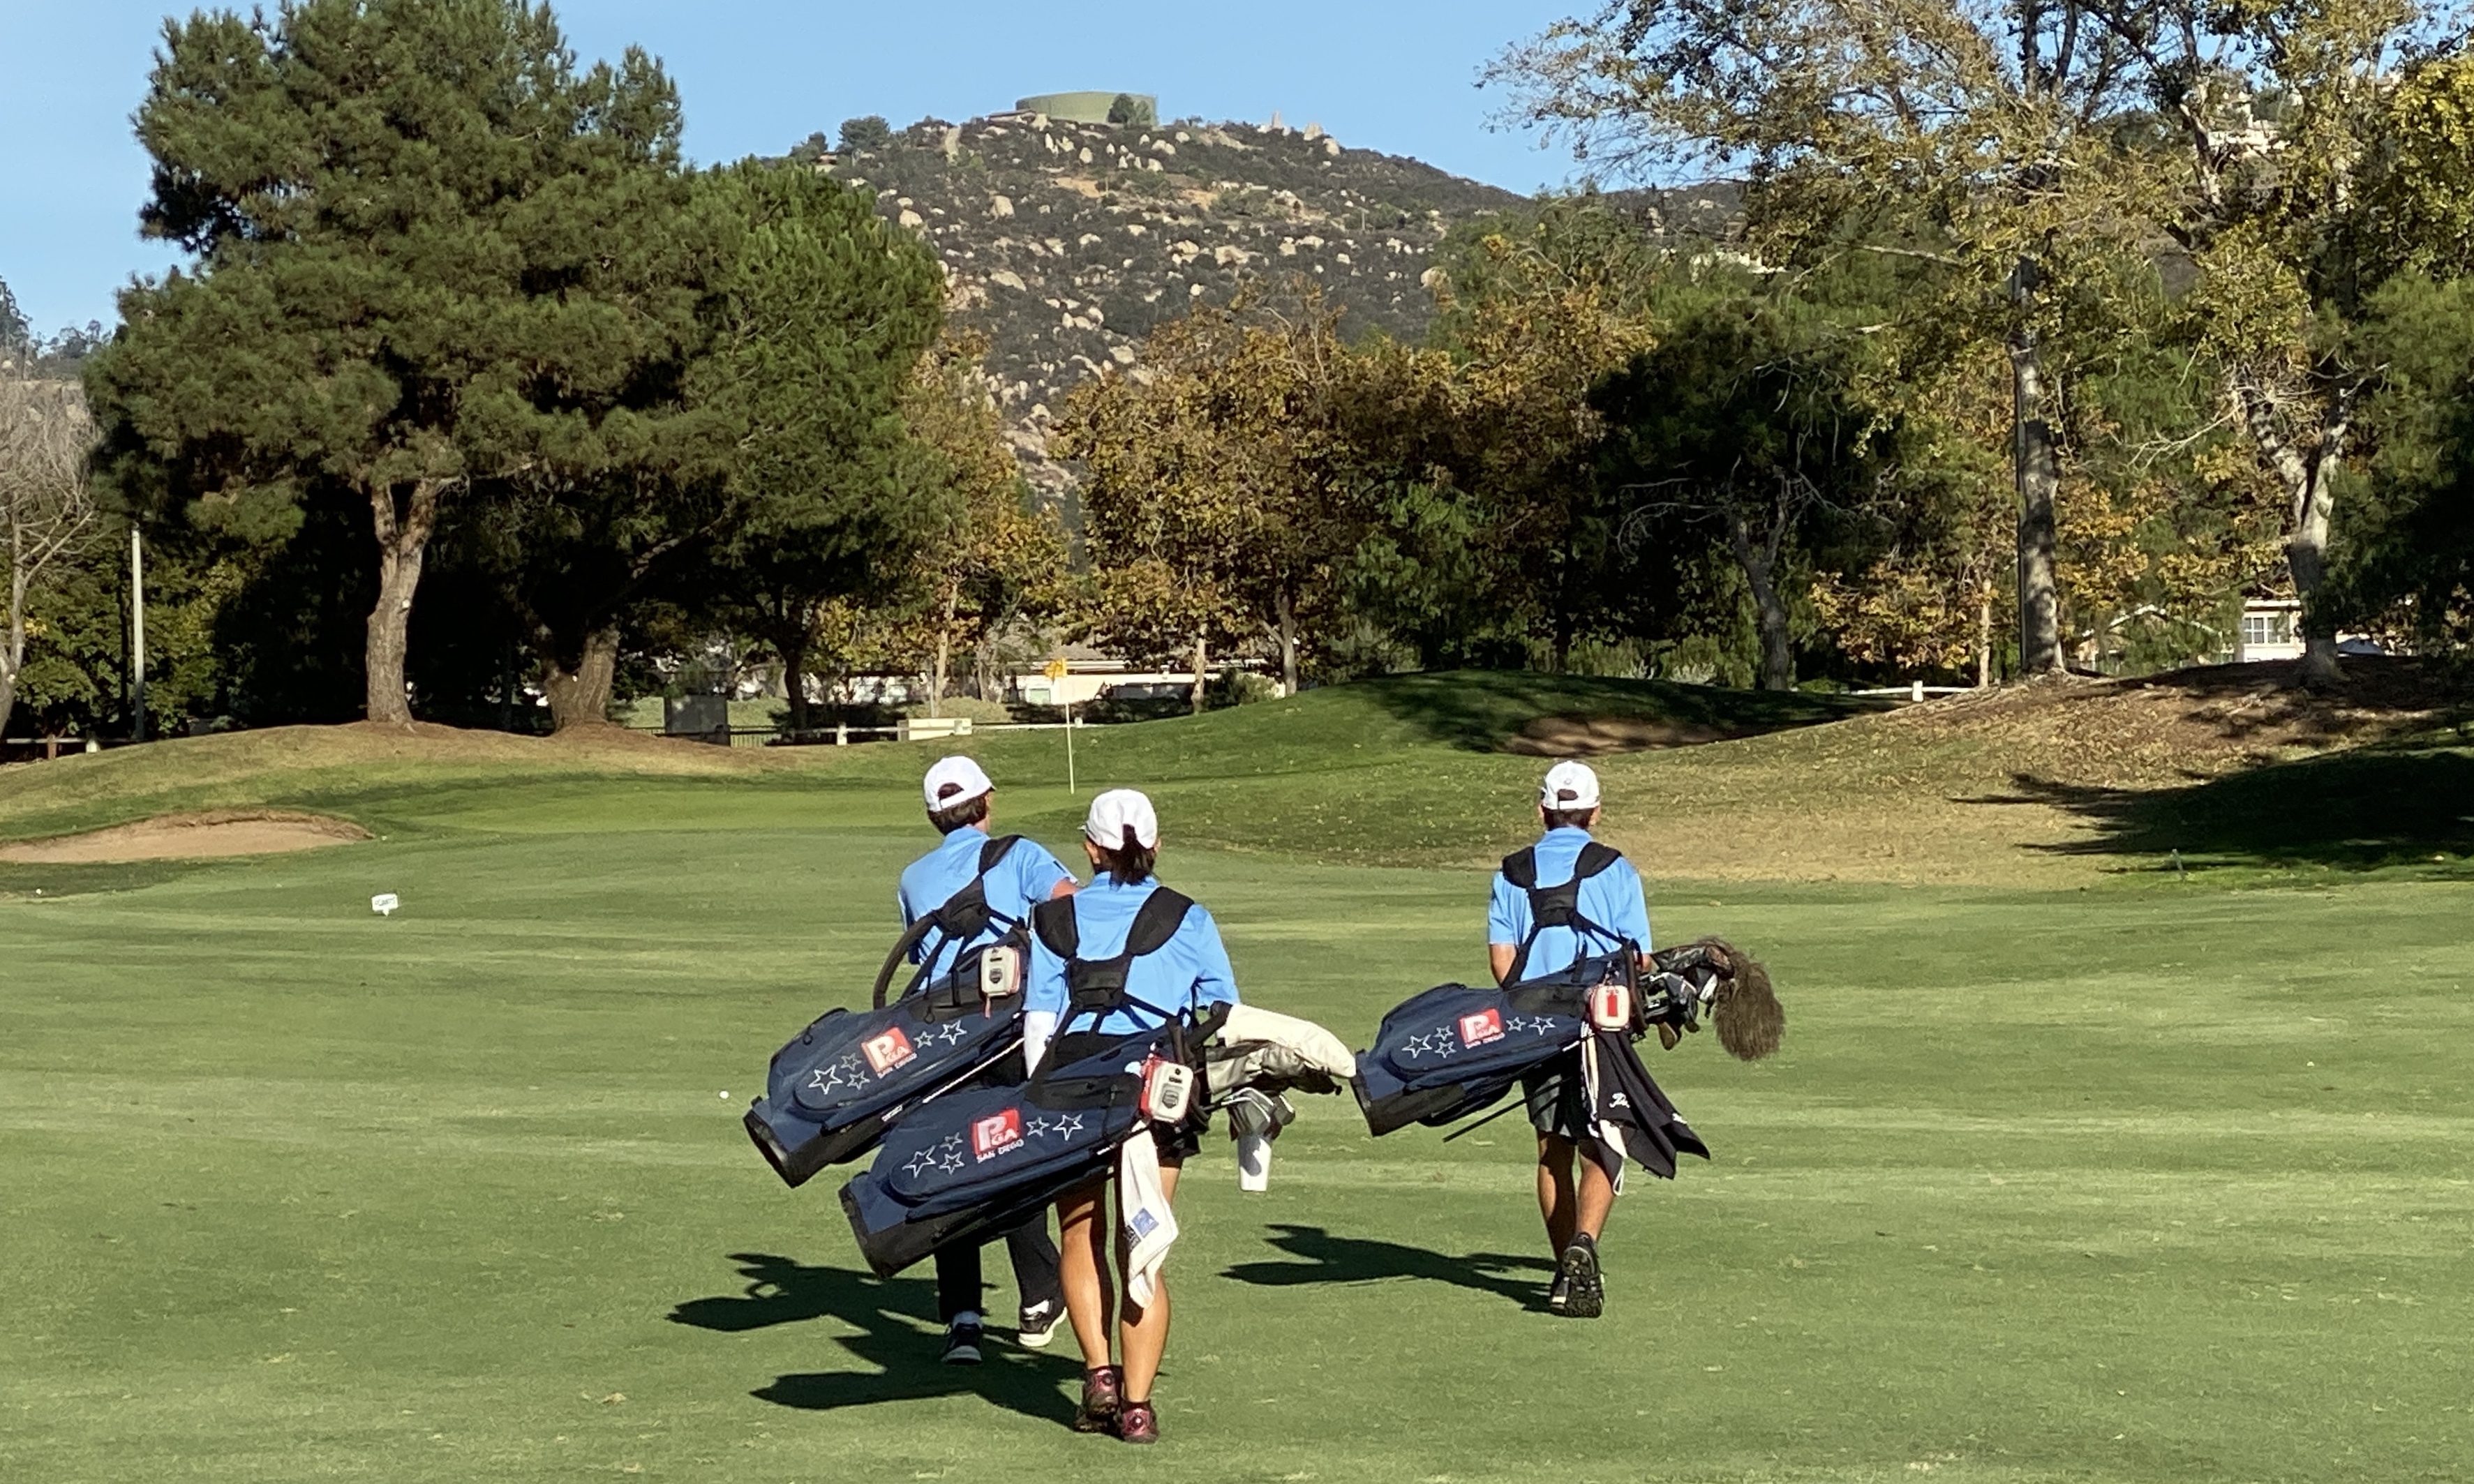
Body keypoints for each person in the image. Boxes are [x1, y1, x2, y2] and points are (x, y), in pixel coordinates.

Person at [1021, 788, 1238, 1444]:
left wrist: (1037, 1097)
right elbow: (1223, 1011)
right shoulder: (1187, 916)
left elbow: (1039, 1022)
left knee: (1078, 1234)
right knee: (1141, 1243)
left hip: (1070, 1087)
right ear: (1155, 845)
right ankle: (1138, 1407)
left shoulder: (1051, 918)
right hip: (1157, 1092)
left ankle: (1099, 1375)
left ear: (1090, 849)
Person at [896, 756, 1077, 1365]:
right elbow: (1071, 906)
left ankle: (963, 1320)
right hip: (1009, 1034)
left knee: (950, 1165)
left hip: (939, 1042)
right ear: (987, 800)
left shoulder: (912, 877)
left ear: (933, 816)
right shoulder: (1019, 855)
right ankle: (1037, 1295)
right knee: (1012, 1153)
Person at [1486, 759, 1655, 1320]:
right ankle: (1585, 1244)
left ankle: (1566, 1267)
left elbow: (1502, 963)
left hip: (1535, 1025)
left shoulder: (1510, 872)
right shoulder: (1616, 868)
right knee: (1602, 1141)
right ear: (1595, 812)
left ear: (1542, 810)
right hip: (1599, 1025)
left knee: (1550, 1148)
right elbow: (1640, 958)